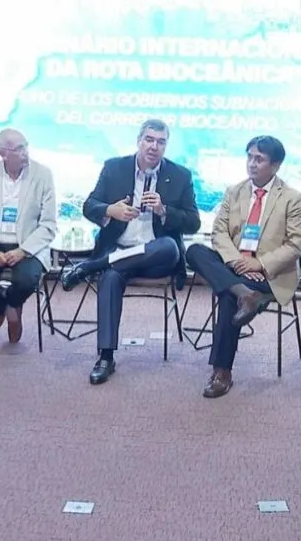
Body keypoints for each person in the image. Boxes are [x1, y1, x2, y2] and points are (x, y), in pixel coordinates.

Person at [61, 118, 201, 384]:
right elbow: (89, 205)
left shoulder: (180, 175)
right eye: (149, 140)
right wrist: (109, 211)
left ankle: (91, 266)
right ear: (139, 140)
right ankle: (105, 357)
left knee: (169, 246)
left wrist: (164, 211)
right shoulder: (114, 168)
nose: (154, 147)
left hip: (157, 256)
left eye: (160, 142)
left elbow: (194, 222)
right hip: (120, 253)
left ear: (166, 146)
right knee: (111, 276)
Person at [185, 135, 301, 397]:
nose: (252, 164)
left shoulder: (291, 198)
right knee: (195, 251)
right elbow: (218, 232)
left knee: (228, 297)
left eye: (259, 159)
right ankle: (245, 295)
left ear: (275, 165)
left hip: (269, 275)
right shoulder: (235, 191)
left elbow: (295, 245)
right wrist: (236, 262)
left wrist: (259, 264)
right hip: (234, 267)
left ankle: (222, 372)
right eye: (249, 157)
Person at [0, 128, 56, 342]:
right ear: (3, 153)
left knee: (27, 281)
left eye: (26, 146)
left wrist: (22, 251)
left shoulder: (43, 175)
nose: (25, 152)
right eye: (19, 149)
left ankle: (14, 307)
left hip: (27, 245)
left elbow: (48, 225)